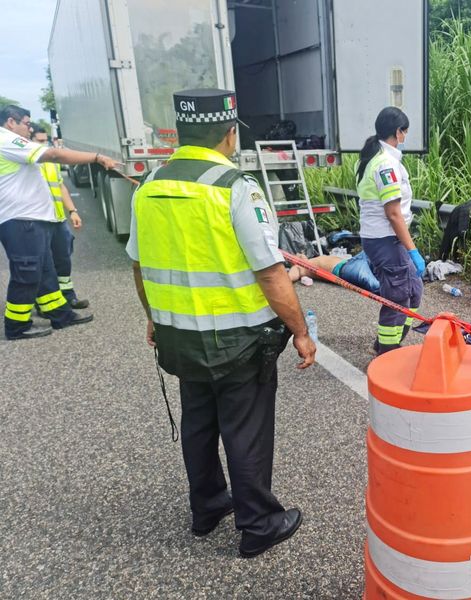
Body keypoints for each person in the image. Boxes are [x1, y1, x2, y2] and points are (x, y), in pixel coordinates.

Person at [126, 89, 316, 558]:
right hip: (237, 340)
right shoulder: (235, 187)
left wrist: (154, 319)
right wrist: (300, 331)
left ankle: (208, 507)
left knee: (198, 422)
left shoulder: (148, 186)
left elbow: (138, 265)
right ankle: (259, 524)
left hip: (177, 337)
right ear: (230, 134)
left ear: (180, 132)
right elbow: (270, 271)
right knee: (244, 429)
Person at [0, 104, 117, 340]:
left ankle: (59, 314)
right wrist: (95, 157)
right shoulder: (6, 139)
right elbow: (53, 154)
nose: (28, 127)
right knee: (27, 273)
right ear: (10, 122)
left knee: (45, 270)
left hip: (32, 220)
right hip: (20, 220)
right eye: (26, 123)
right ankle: (16, 326)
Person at [356, 107, 423, 355]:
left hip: (385, 238)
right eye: (405, 132)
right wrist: (412, 250)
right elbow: (393, 213)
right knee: (398, 296)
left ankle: (391, 342)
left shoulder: (380, 159)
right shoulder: (385, 165)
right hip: (384, 239)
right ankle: (387, 350)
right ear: (398, 132)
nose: (405, 137)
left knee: (414, 290)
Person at [31, 125, 89, 309]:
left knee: (63, 259)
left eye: (45, 140)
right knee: (43, 262)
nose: (45, 145)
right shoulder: (26, 163)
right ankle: (45, 301)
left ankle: (68, 296)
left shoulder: (50, 162)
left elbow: (60, 186)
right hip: (37, 221)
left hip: (57, 220)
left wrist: (72, 211)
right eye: (39, 141)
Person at [287, 251, 380, 293]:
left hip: (352, 261)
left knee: (379, 251)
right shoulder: (300, 268)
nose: (300, 254)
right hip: (343, 270)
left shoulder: (312, 259)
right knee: (376, 286)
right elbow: (286, 279)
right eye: (297, 255)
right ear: (293, 261)